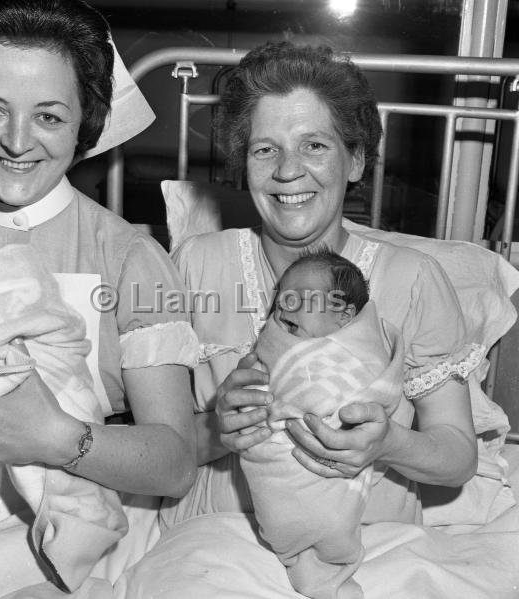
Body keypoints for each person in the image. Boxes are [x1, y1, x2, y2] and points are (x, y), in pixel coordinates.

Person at [150, 42, 489, 597]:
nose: (288, 171)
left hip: (372, 541)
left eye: (313, 145)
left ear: (354, 159)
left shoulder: (414, 279)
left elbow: (457, 458)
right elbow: (159, 448)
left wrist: (388, 445)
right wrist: (218, 429)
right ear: (244, 162)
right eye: (265, 150)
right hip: (222, 539)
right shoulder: (196, 264)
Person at [0, 1, 196, 597]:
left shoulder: (133, 260)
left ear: (84, 124)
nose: (17, 142)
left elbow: (175, 464)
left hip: (72, 527)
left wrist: (54, 434)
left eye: (48, 116)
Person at [0, 207, 130, 574]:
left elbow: (42, 308)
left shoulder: (118, 245)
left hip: (51, 393)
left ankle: (79, 525)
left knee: (52, 455)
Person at [240, 249, 404, 598]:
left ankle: (327, 563)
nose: (284, 309)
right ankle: (307, 559)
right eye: (281, 300)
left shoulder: (355, 357)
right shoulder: (274, 345)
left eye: (299, 300)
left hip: (331, 484)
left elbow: (373, 389)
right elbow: (255, 388)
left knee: (330, 527)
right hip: (278, 478)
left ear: (343, 316)